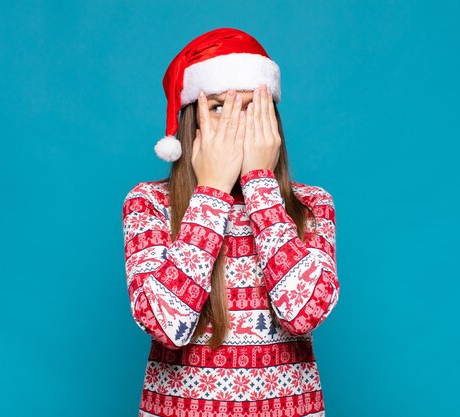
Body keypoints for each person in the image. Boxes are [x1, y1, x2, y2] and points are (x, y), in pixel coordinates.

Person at [122, 27, 341, 417]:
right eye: (219, 106)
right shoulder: (149, 203)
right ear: (193, 121)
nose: (236, 124)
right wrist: (211, 191)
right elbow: (164, 323)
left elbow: (302, 313)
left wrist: (260, 184)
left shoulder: (311, 206)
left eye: (250, 107)